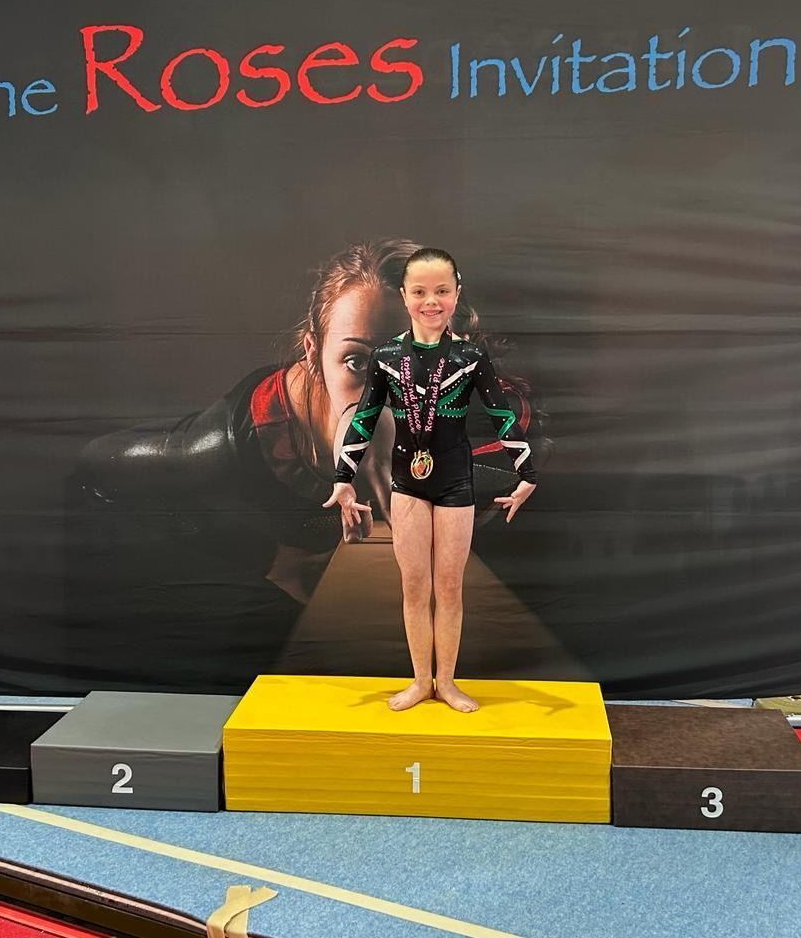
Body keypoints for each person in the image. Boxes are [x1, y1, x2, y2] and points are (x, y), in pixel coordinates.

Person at [72, 239, 543, 686]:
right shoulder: (231, 447)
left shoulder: (488, 413)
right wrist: (264, 556)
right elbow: (94, 471)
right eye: (357, 362)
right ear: (314, 353)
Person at [325, 248, 537, 712]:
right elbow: (364, 419)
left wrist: (527, 473)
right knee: (415, 587)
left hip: (456, 483)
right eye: (419, 291)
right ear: (404, 296)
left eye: (441, 291)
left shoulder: (469, 356)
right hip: (408, 484)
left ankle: (448, 682)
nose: (431, 301)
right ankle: (421, 681)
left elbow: (500, 413)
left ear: (456, 294)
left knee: (450, 587)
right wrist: (344, 477)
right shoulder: (386, 357)